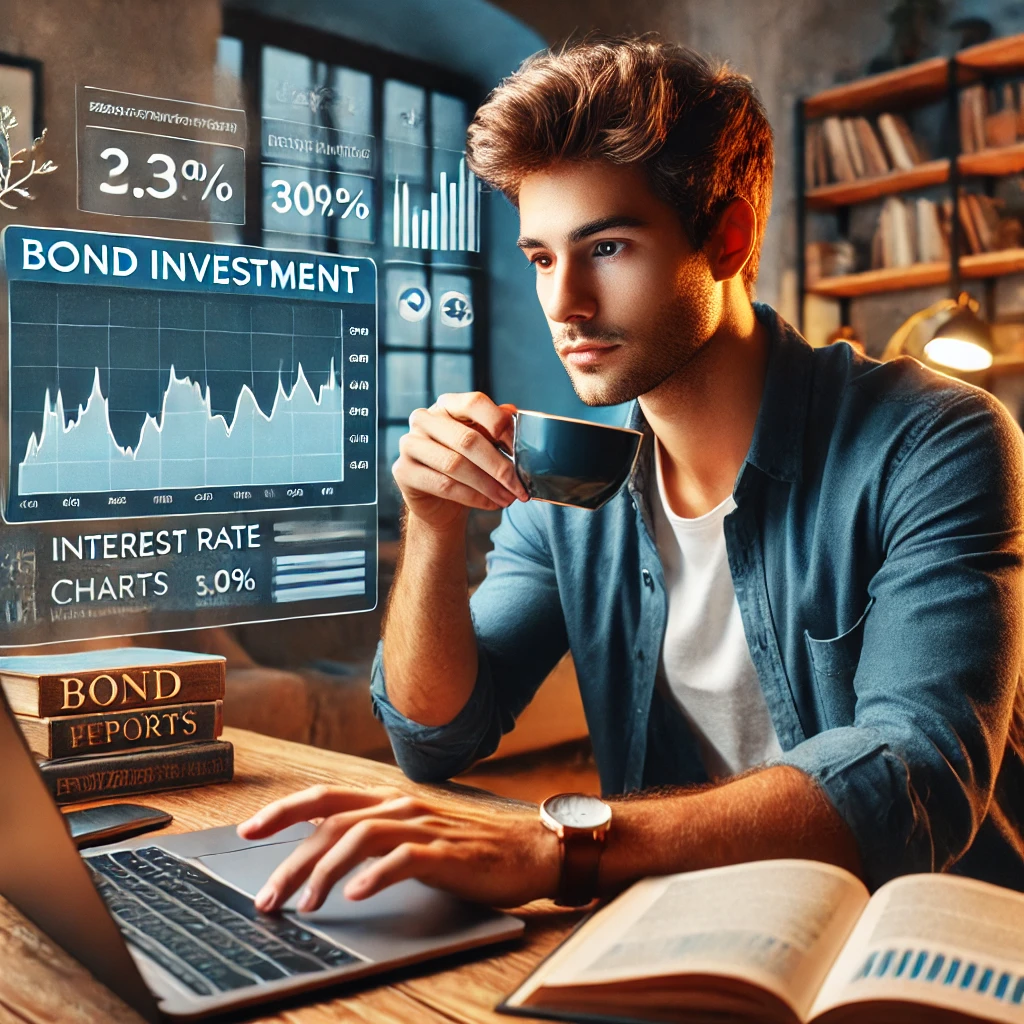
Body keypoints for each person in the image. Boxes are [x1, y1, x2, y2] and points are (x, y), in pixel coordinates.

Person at [238, 36, 1024, 914]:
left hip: (918, 948)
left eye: (605, 247)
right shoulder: (565, 481)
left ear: (727, 238)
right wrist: (431, 519)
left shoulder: (934, 439)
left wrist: (559, 841)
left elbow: (918, 773)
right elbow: (433, 735)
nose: (564, 304)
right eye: (541, 258)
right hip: (681, 930)